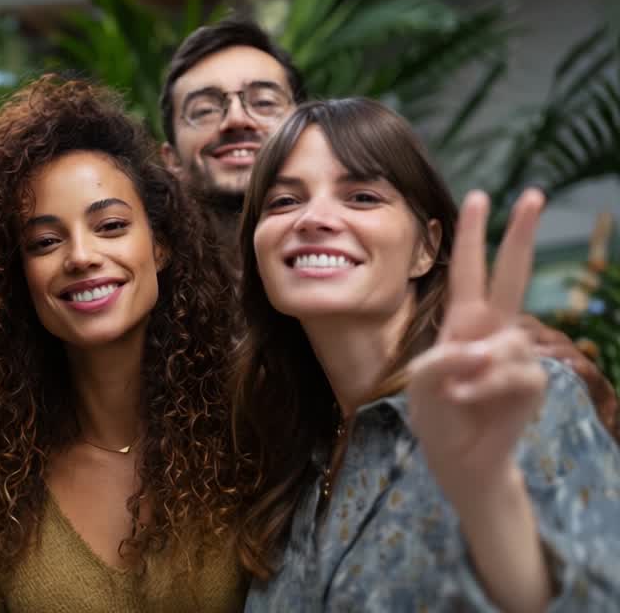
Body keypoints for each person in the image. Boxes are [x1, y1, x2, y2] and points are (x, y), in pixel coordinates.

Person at [231, 98, 620, 610]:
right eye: (283, 201)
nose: (314, 217)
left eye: (362, 196)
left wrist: (490, 500)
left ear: (426, 247)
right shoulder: (282, 452)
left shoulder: (522, 402)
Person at [158, 18, 619, 436]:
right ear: (170, 160)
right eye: (203, 109)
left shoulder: (456, 330)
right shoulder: (153, 313)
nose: (237, 119)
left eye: (263, 101)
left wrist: (586, 415)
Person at [0, 76, 250, 612]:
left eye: (110, 225)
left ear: (162, 246)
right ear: (18, 278)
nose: (80, 256)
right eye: (46, 241)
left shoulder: (248, 428)